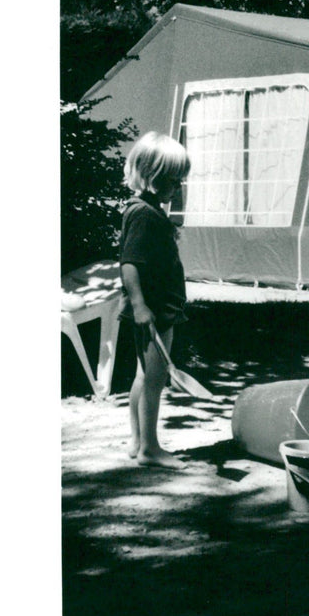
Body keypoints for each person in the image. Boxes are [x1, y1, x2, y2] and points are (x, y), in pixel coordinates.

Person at [118, 132, 191, 468]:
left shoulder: (143, 209)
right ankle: (150, 449)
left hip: (154, 308)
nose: (178, 187)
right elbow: (130, 264)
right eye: (173, 180)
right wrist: (140, 305)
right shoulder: (144, 215)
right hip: (155, 311)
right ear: (152, 176)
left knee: (143, 376)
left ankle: (137, 440)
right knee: (155, 379)